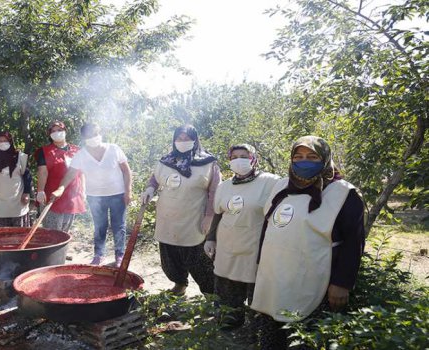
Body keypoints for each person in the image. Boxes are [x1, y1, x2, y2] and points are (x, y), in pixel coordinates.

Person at [251, 136, 365, 349]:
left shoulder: (343, 193)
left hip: (313, 279)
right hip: (274, 275)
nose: (304, 162)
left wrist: (342, 283)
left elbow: (353, 242)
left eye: (312, 157)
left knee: (304, 338)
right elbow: (268, 228)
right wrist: (259, 265)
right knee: (271, 331)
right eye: (298, 156)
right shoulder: (281, 186)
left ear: (324, 159)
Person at [204, 144, 279, 329]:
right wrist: (210, 238)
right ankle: (229, 322)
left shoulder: (271, 182)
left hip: (255, 245)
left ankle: (257, 329)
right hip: (227, 244)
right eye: (234, 157)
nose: (239, 160)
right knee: (226, 283)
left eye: (244, 156)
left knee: (256, 286)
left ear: (254, 158)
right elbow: (218, 214)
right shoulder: (224, 186)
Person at [140, 125, 220, 295]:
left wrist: (209, 216)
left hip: (193, 217)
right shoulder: (166, 160)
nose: (183, 142)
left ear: (195, 140)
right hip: (167, 217)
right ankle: (179, 284)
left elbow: (214, 191)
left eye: (187, 138)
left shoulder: (208, 162)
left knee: (197, 256)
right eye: (179, 139)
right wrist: (149, 189)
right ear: (174, 141)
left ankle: (209, 292)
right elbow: (155, 178)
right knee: (170, 253)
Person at [51, 122, 132, 266]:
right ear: (84, 138)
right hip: (95, 197)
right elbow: (70, 174)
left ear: (100, 134)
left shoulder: (114, 149)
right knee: (100, 226)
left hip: (117, 194)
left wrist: (128, 191)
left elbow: (126, 171)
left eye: (95, 134)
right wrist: (61, 188)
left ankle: (120, 256)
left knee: (119, 226)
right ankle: (99, 255)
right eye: (89, 135)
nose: (93, 138)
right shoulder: (81, 155)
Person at [34, 121, 85, 232]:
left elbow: (81, 172)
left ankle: (61, 249)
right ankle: (51, 249)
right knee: (52, 232)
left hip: (72, 197)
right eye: (53, 131)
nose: (56, 133)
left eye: (59, 130)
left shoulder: (77, 151)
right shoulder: (45, 151)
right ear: (49, 134)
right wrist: (40, 191)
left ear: (65, 131)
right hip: (52, 196)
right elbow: (42, 172)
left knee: (65, 231)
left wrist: (83, 191)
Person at [0, 131, 32, 227]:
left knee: (20, 233)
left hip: (18, 200)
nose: (3, 143)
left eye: (5, 141)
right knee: (2, 234)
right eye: (0, 141)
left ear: (11, 142)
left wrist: (27, 193)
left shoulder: (20, 157)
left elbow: (27, 176)